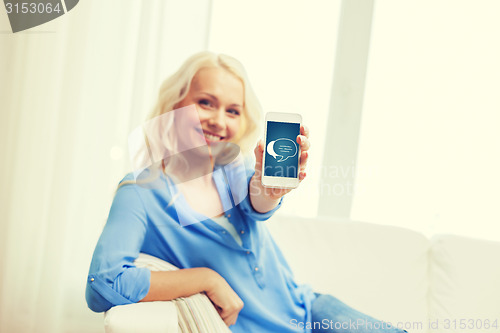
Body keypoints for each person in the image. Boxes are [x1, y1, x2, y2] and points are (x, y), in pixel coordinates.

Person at [86, 51, 406, 333]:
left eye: (233, 111)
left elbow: (258, 199)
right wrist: (206, 279)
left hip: (314, 312)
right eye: (206, 102)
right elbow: (103, 284)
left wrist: (271, 189)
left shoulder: (233, 171)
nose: (218, 120)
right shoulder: (140, 192)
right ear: (175, 105)